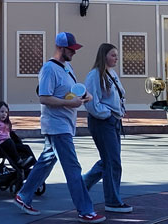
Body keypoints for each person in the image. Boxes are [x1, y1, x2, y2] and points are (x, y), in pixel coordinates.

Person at [13, 32, 105, 223]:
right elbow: (44, 97)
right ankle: (85, 210)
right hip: (57, 126)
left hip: (64, 124)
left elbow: (72, 90)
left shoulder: (66, 67)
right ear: (61, 48)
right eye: (71, 49)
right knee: (72, 168)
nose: (74, 52)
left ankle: (24, 195)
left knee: (46, 161)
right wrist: (69, 104)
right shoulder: (49, 69)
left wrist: (85, 95)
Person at [81, 43, 133, 214]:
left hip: (113, 121)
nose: (116, 58)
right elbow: (91, 102)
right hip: (102, 123)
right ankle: (112, 201)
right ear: (104, 56)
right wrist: (107, 114)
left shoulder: (111, 73)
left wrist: (118, 113)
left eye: (116, 55)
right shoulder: (94, 75)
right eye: (113, 55)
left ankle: (83, 184)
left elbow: (117, 96)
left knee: (109, 160)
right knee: (112, 161)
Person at [0, 101, 35, 170]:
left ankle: (34, 163)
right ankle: (18, 160)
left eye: (6, 112)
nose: (4, 114)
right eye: (2, 112)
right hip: (0, 145)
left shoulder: (6, 123)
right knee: (9, 142)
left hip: (9, 143)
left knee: (25, 147)